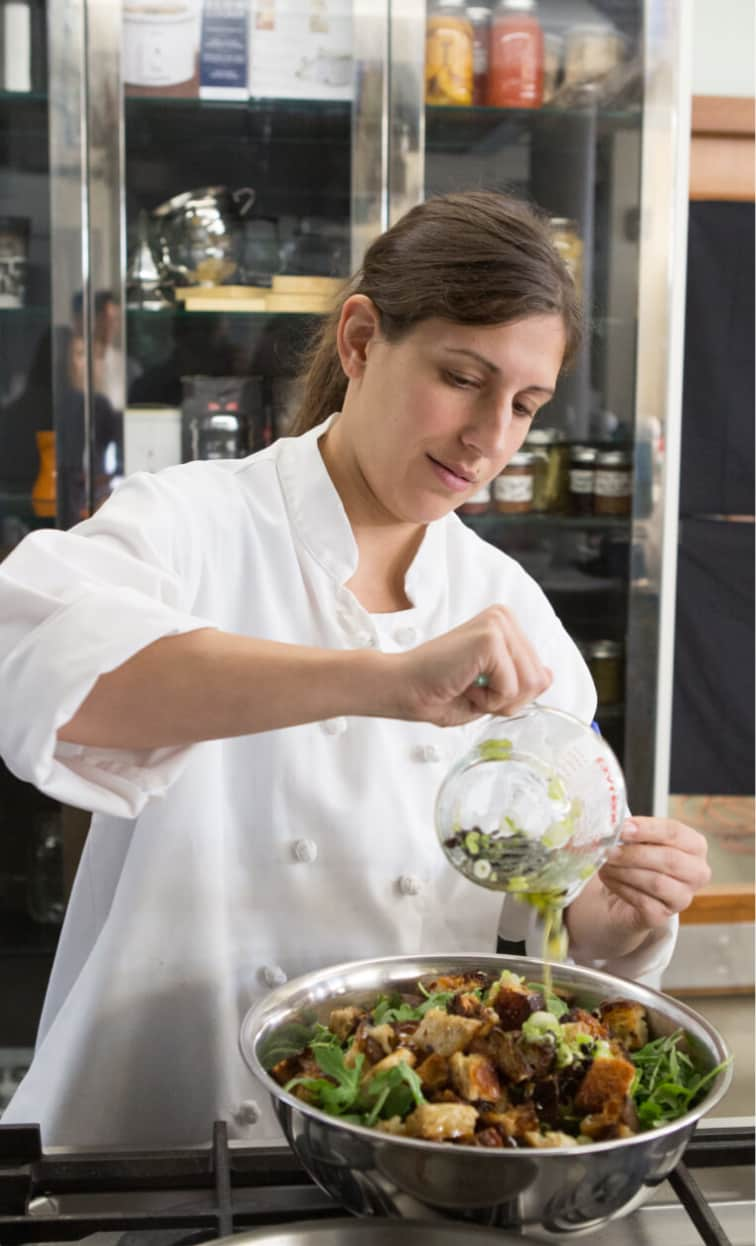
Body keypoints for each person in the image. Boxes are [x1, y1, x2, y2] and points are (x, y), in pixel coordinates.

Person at [0, 191, 710, 1148]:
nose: (491, 438)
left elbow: (526, 923)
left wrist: (608, 926)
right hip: (153, 1133)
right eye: (463, 378)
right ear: (362, 340)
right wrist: (380, 678)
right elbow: (47, 673)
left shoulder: (513, 612)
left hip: (406, 1157)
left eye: (526, 406)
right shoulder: (193, 523)